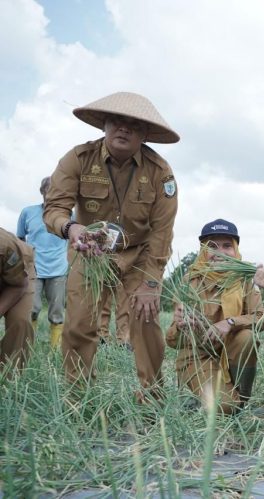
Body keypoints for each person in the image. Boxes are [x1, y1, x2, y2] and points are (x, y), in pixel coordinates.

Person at [43, 91, 179, 399]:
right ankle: (78, 396)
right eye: (117, 120)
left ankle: (153, 396)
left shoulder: (160, 172)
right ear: (104, 124)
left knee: (145, 319)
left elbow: (162, 232)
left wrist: (150, 282)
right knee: (79, 322)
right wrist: (72, 227)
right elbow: (54, 209)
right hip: (90, 252)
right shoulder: (78, 159)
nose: (124, 128)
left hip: (140, 255)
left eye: (134, 124)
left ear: (145, 134)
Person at [166, 219, 264, 414]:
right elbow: (173, 341)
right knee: (224, 408)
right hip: (198, 356)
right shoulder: (189, 281)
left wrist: (230, 322)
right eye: (212, 246)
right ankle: (218, 397)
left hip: (230, 349)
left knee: (247, 337)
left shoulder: (245, 279)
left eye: (227, 246)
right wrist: (184, 326)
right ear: (203, 250)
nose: (220, 253)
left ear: (235, 249)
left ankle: (242, 399)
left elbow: (261, 318)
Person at [16, 177, 68, 349]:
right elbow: (20, 239)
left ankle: (55, 349)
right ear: (42, 191)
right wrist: (25, 260)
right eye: (48, 189)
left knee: (57, 311)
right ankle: (28, 346)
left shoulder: (68, 214)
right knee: (32, 309)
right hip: (34, 269)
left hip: (59, 269)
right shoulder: (28, 213)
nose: (51, 193)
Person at [0, 228, 36, 371]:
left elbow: (18, 285)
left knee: (20, 322)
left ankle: (9, 378)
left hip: (20, 273)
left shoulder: (4, 246)